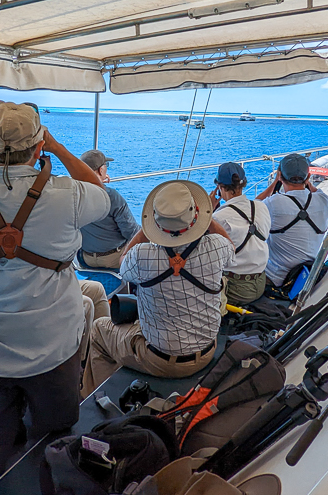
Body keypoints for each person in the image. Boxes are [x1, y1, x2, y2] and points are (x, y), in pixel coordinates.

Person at [0, 102, 110, 495]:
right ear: (39, 145)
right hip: (50, 343)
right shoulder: (68, 195)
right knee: (55, 431)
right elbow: (101, 193)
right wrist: (57, 148)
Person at [81, 180, 233, 398]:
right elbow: (231, 248)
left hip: (159, 360)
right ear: (196, 215)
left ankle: (100, 399)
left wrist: (146, 228)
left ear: (156, 221)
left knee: (99, 329)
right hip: (207, 351)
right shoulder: (216, 247)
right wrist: (208, 218)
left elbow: (124, 262)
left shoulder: (141, 255)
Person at [256, 153, 328, 285]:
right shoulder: (324, 200)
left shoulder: (273, 203)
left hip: (276, 278)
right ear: (308, 177)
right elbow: (316, 192)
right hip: (306, 274)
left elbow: (254, 206)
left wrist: (275, 182)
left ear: (280, 177)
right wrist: (306, 182)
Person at [210, 162, 271, 306]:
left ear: (219, 187)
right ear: (243, 185)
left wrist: (209, 210)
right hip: (261, 281)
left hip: (235, 288)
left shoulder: (218, 217)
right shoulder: (261, 207)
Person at [77, 149, 139, 270]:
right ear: (101, 170)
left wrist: (97, 180)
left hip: (86, 258)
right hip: (113, 259)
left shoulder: (75, 193)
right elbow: (131, 232)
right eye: (106, 165)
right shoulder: (112, 196)